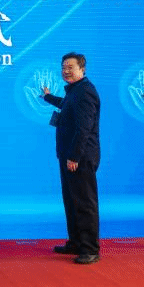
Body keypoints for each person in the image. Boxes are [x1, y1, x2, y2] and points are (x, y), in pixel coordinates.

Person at [42, 52, 102, 264]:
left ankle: (90, 248)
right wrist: (48, 97)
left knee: (84, 203)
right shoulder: (75, 90)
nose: (65, 71)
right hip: (69, 155)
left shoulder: (85, 91)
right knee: (72, 201)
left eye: (70, 67)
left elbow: (84, 128)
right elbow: (67, 107)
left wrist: (74, 156)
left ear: (82, 69)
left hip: (80, 157)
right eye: (63, 67)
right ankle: (76, 242)